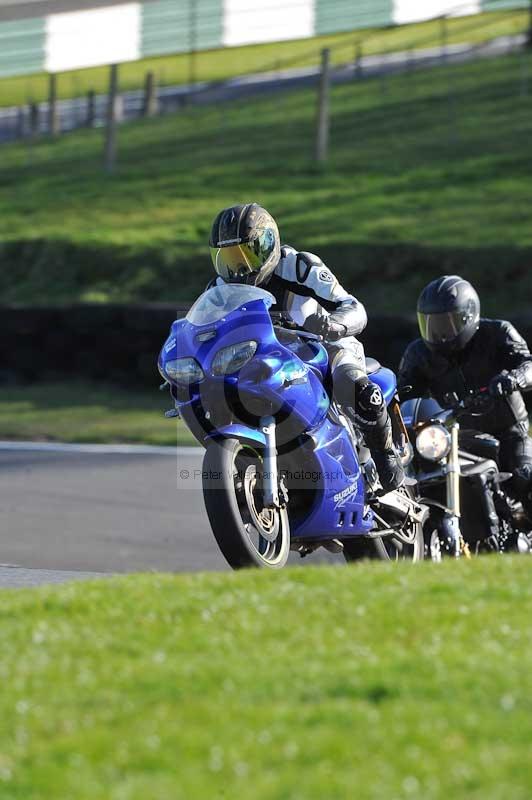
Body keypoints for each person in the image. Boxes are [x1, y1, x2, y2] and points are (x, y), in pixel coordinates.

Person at [208, 202, 404, 493]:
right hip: (269, 360)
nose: (239, 269)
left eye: (245, 256)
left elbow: (353, 307)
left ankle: (387, 460)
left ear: (268, 245)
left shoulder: (298, 267)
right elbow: (205, 332)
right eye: (229, 259)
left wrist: (334, 324)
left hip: (325, 347)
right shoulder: (219, 291)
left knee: (352, 384)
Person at [398, 274, 532, 513]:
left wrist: (513, 379)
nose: (437, 334)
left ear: (468, 316)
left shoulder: (498, 333)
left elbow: (529, 365)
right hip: (457, 437)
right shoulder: (418, 354)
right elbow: (405, 397)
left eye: (445, 324)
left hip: (509, 432)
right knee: (426, 481)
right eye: (429, 324)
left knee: (525, 477)